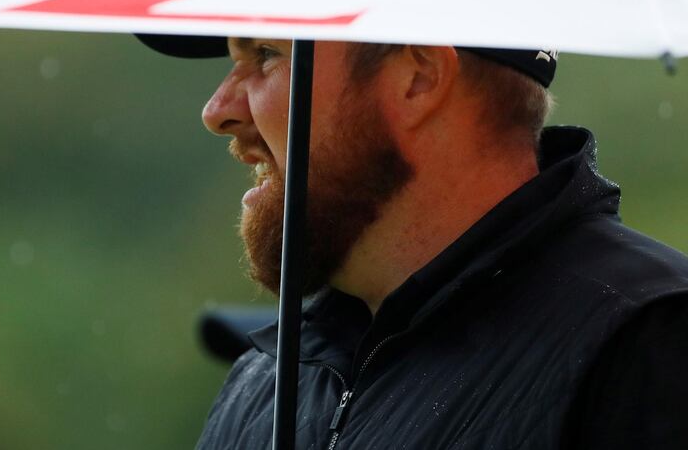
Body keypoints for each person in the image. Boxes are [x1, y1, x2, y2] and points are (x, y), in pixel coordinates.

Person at [138, 35, 688, 449]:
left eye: (265, 55)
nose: (218, 111)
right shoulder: (266, 379)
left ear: (419, 77)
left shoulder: (649, 344)